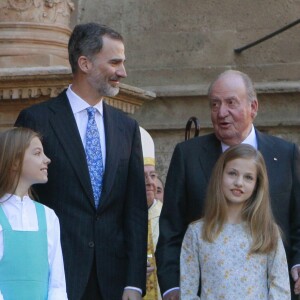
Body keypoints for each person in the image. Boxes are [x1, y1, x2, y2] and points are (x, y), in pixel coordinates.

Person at [15, 23, 148, 300]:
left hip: (114, 282)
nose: (122, 72)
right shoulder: (37, 120)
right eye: (114, 62)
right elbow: (19, 198)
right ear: (84, 63)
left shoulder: (127, 128)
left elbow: (135, 210)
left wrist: (134, 282)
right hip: (55, 276)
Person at [156, 70, 300, 300]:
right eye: (215, 104)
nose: (221, 112)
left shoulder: (285, 153)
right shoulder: (188, 155)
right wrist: (172, 288)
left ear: (253, 107)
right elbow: (171, 229)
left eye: (231, 103)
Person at [180, 144, 290, 299]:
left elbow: (281, 288)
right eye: (232, 173)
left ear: (257, 184)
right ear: (220, 175)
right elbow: (187, 291)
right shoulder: (197, 232)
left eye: (248, 177)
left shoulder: (267, 231)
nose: (239, 182)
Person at [0, 127, 68, 300]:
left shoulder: (48, 216)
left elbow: (57, 283)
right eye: (37, 153)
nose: (47, 159)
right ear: (15, 161)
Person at [140, 127, 163, 300]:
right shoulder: (119, 217)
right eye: (143, 176)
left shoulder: (168, 217)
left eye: (153, 175)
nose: (149, 182)